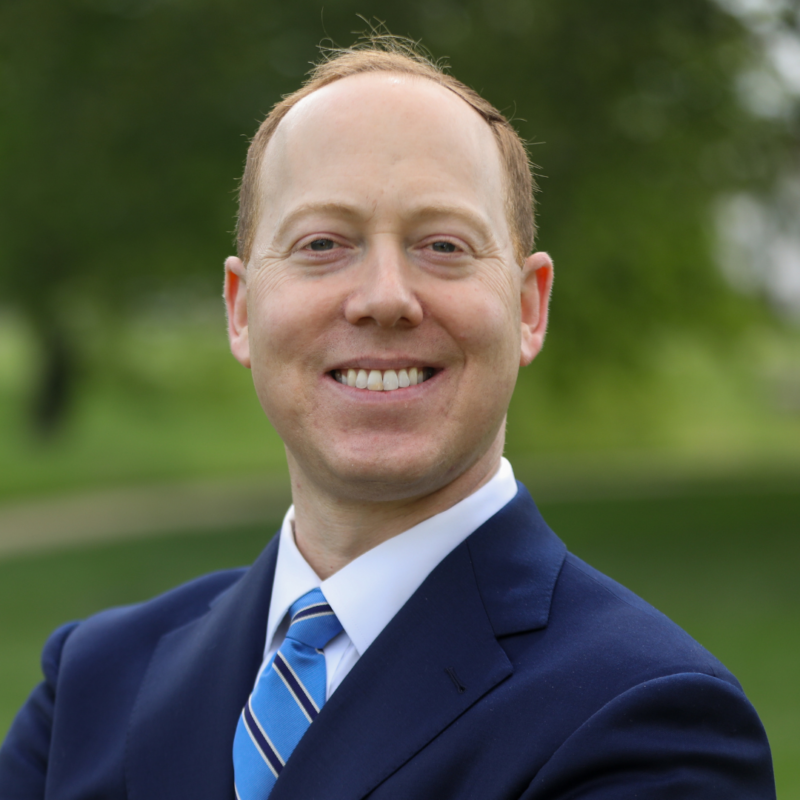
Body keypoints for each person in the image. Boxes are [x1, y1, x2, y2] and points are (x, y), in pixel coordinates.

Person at [0, 37, 775, 800]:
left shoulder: (650, 723)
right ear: (240, 310)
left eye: (442, 245)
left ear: (528, 308)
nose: (383, 298)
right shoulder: (90, 685)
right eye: (321, 243)